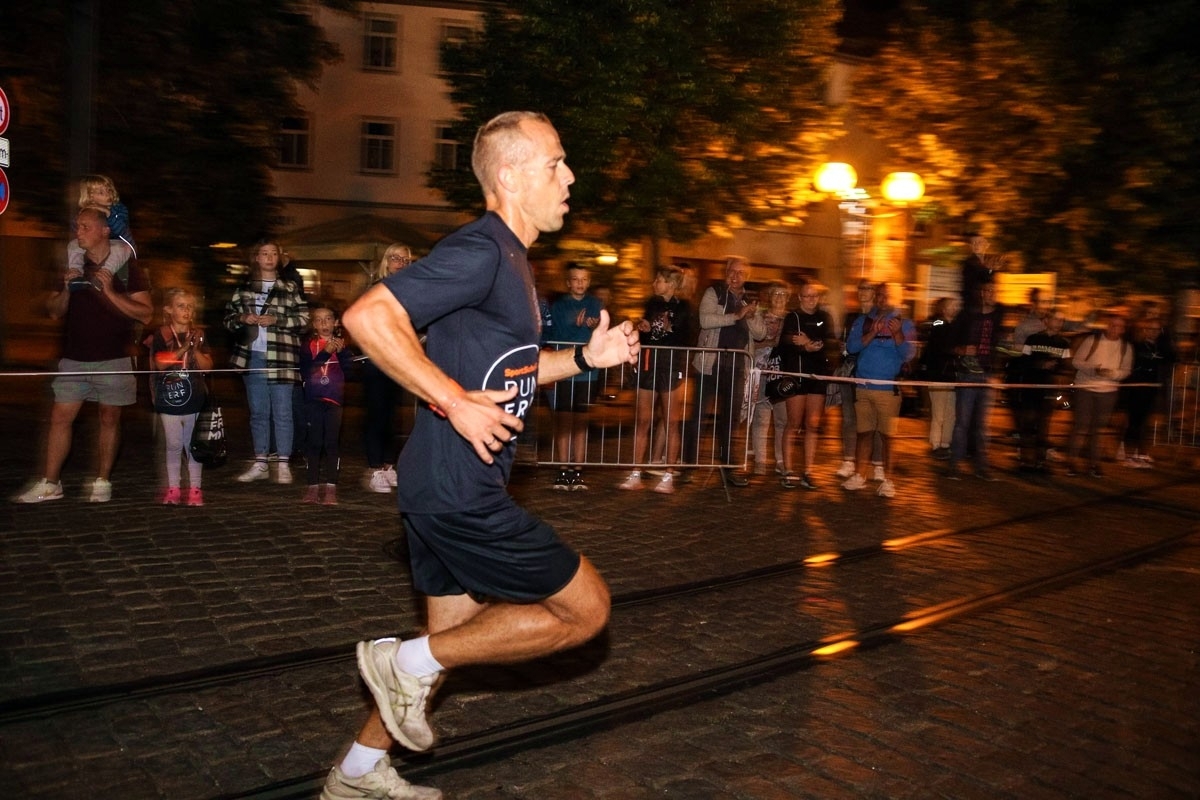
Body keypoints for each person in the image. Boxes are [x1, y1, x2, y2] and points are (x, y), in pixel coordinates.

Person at [319, 111, 639, 800]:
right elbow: (367, 316)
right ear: (511, 176)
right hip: (459, 489)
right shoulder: (482, 250)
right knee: (586, 610)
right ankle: (400, 660)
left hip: (440, 485)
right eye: (555, 163)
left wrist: (586, 358)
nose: (569, 177)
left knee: (448, 648)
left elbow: (512, 371)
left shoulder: (513, 260)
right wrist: (452, 401)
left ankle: (357, 773)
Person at [15, 206, 153, 503]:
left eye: (85, 226)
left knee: (109, 418)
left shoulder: (126, 267)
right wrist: (66, 289)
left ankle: (102, 480)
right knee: (60, 418)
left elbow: (146, 313)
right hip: (74, 358)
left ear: (105, 230)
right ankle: (51, 483)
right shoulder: (74, 264)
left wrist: (110, 293)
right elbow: (54, 312)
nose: (78, 231)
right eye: (77, 226)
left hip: (114, 357)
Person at [223, 238, 309, 484]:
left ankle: (283, 463)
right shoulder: (244, 289)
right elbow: (228, 319)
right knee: (258, 412)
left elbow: (304, 320)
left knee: (283, 412)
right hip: (253, 357)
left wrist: (277, 321)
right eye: (265, 253)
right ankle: (260, 461)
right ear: (257, 258)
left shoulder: (290, 287)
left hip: (282, 356)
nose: (270, 257)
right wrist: (242, 318)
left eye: (274, 253)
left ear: (279, 258)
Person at [682, 256, 764, 487]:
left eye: (740, 272)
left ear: (747, 276)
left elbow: (760, 333)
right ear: (725, 272)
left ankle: (728, 468)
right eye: (731, 271)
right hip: (710, 364)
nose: (735, 276)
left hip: (736, 367)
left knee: (730, 421)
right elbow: (705, 320)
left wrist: (751, 316)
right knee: (698, 418)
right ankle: (689, 467)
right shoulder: (714, 293)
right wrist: (736, 316)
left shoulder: (750, 299)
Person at [618, 265, 692, 493]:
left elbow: (683, 335)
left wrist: (664, 328)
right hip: (649, 363)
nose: (654, 283)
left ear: (671, 284)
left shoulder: (684, 307)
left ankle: (668, 475)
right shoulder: (652, 303)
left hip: (670, 364)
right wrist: (644, 327)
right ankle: (635, 473)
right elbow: (649, 333)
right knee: (643, 419)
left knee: (671, 421)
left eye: (659, 280)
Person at [843, 282, 916, 498]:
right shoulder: (863, 321)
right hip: (863, 386)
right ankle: (859, 475)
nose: (882, 299)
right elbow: (851, 347)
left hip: (888, 388)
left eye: (887, 295)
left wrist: (898, 334)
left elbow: (909, 354)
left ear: (895, 297)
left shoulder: (905, 323)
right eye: (879, 295)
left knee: (888, 437)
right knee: (863, 433)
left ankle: (888, 480)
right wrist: (872, 333)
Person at [143, 288, 214, 506]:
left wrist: (194, 349)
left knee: (192, 445)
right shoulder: (161, 334)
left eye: (190, 306)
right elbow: (160, 363)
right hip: (169, 397)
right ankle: (173, 488)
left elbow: (208, 366)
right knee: (173, 444)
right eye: (181, 306)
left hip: (194, 397)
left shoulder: (199, 334)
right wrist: (183, 348)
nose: (186, 310)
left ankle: (195, 489)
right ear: (168, 309)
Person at [362, 243, 414, 492]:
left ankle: (388, 465)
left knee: (393, 416)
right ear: (386, 261)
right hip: (376, 359)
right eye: (395, 258)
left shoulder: (411, 289)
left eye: (405, 260)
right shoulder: (377, 288)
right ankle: (374, 468)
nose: (400, 263)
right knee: (376, 415)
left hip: (397, 359)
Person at [547, 262, 604, 490]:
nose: (580, 283)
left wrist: (594, 325)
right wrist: (576, 324)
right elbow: (556, 334)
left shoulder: (595, 304)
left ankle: (578, 470)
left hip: (587, 372)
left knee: (580, 421)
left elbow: (600, 331)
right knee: (563, 421)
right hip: (564, 368)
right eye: (575, 279)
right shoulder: (559, 305)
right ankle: (563, 469)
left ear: (588, 282)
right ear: (568, 282)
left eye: (584, 279)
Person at [777, 279, 835, 489]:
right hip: (796, 375)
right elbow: (785, 342)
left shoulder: (824, 317)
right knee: (793, 423)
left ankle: (808, 471)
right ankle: (788, 469)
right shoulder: (792, 317)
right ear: (800, 297)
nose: (811, 299)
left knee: (813, 424)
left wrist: (812, 344)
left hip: (817, 376)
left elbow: (831, 341)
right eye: (807, 296)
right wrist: (802, 346)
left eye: (814, 296)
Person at [946, 280, 1005, 480]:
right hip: (968, 374)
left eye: (994, 291)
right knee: (962, 422)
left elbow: (1001, 346)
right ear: (981, 293)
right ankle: (955, 464)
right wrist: (962, 349)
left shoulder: (998, 317)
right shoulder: (967, 315)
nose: (991, 294)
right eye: (987, 290)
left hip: (988, 374)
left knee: (982, 425)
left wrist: (998, 370)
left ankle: (981, 466)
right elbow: (949, 343)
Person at [1067, 310, 1133, 477]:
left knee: (1099, 429)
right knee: (1081, 425)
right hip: (1086, 388)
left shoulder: (1126, 347)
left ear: (1123, 329)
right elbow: (1076, 361)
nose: (1114, 329)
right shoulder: (1092, 341)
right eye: (1112, 325)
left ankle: (1094, 463)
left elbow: (1126, 370)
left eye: (1119, 326)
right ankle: (1072, 461)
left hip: (1108, 391)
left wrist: (1112, 374)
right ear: (1106, 326)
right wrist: (1093, 369)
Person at [835, 279, 883, 480]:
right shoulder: (851, 316)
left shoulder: (880, 317)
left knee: (875, 421)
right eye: (861, 288)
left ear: (874, 293)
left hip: (872, 373)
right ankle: (848, 460)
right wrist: (842, 348)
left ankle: (877, 463)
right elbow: (844, 341)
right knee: (849, 418)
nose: (863, 292)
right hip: (850, 370)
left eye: (868, 289)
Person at [300, 304, 348, 505]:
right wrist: (326, 353)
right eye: (319, 320)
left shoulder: (342, 345)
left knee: (331, 443)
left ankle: (331, 487)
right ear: (314, 325)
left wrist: (342, 353)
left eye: (328, 318)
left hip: (334, 400)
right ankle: (312, 486)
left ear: (335, 322)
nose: (324, 323)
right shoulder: (308, 346)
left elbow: (350, 371)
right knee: (314, 443)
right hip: (313, 400)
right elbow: (306, 371)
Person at [1013, 309, 1071, 472]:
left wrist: (1061, 378)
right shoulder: (1033, 339)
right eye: (1056, 319)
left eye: (1062, 320)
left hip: (1049, 388)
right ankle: (1025, 459)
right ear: (1046, 321)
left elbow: (1066, 366)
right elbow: (1023, 361)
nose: (1059, 323)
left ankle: (1041, 460)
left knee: (1044, 425)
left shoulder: (1063, 343)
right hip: (1032, 386)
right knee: (1028, 422)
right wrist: (1039, 364)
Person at [1119, 309, 1173, 467]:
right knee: (1133, 421)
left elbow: (1170, 358)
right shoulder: (1137, 346)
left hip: (1151, 389)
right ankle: (1128, 454)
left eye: (1157, 329)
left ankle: (1140, 452)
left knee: (1145, 422)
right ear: (1144, 330)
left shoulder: (1160, 348)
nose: (1153, 332)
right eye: (1150, 329)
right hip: (1136, 388)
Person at [749, 282, 790, 477]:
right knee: (761, 417)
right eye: (776, 294)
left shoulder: (792, 318)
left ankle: (780, 461)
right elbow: (752, 342)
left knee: (782, 420)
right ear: (769, 296)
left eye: (783, 294)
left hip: (783, 373)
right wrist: (771, 342)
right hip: (761, 371)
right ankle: (760, 461)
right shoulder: (759, 316)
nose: (779, 298)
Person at [67, 175, 136, 283]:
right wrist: (85, 219)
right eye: (101, 192)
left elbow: (121, 229)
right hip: (96, 245)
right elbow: (76, 227)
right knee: (73, 245)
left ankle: (104, 274)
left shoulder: (119, 209)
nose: (108, 194)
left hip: (120, 243)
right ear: (90, 197)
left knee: (121, 248)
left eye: (109, 190)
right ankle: (75, 273)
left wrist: (109, 214)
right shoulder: (85, 212)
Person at [918, 296, 961, 459]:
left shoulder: (955, 326)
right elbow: (938, 344)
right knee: (938, 412)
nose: (954, 308)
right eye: (951, 306)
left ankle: (945, 443)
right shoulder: (938, 323)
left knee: (950, 413)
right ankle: (936, 444)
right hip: (938, 374)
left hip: (951, 375)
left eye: (955, 306)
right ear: (943, 309)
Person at [960, 232, 1002, 312]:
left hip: (978, 305)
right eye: (973, 243)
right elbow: (983, 278)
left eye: (979, 242)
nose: (976, 245)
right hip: (972, 306)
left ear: (987, 245)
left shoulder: (982, 263)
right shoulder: (970, 262)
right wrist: (991, 270)